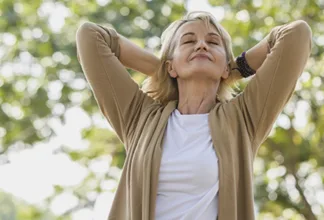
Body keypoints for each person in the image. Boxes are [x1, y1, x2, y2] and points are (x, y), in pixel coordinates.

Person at [76, 11, 312, 220]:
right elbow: (91, 36)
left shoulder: (243, 118)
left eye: (213, 42)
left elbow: (296, 35)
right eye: (188, 41)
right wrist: (164, 70)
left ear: (225, 66)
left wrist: (234, 69)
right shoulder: (139, 117)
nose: (201, 45)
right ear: (171, 65)